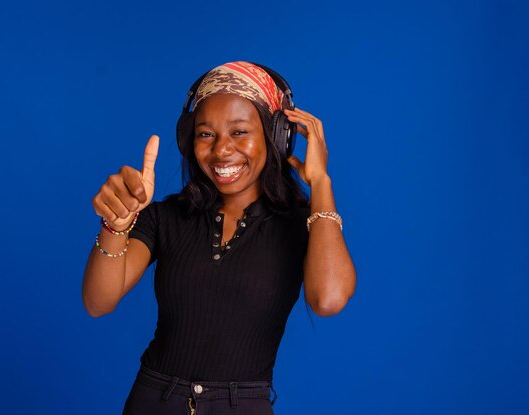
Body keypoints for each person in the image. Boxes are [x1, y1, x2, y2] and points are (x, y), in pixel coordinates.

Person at [82, 61, 356, 414]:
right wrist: (116, 224)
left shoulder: (302, 227)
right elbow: (98, 302)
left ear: (275, 136)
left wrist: (320, 182)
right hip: (153, 401)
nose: (222, 150)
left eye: (239, 132)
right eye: (206, 134)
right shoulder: (166, 218)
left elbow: (329, 299)